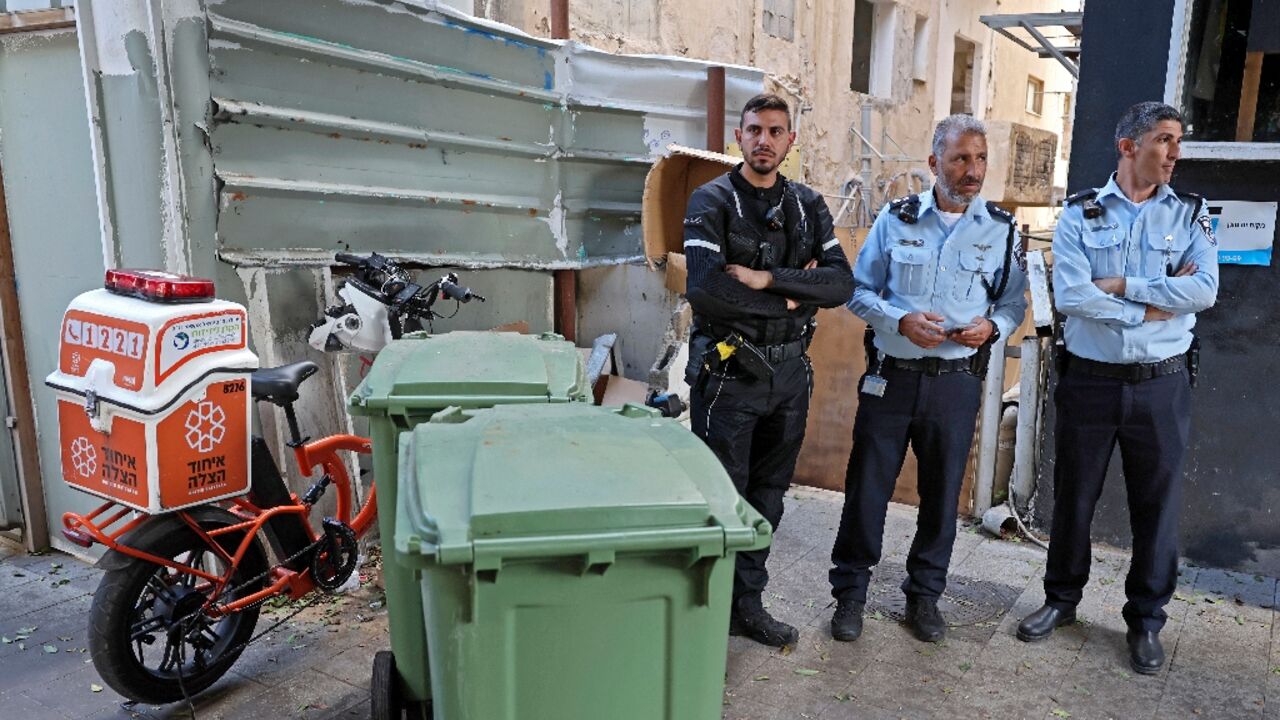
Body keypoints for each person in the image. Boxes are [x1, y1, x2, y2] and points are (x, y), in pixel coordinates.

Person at [1016, 101, 1218, 675]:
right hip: (1091, 381)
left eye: (1178, 140)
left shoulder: (1192, 215)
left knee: (1156, 505)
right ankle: (1061, 600)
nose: (1175, 152)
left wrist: (1126, 285)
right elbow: (1074, 296)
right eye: (1163, 140)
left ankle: (1146, 622)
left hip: (1161, 386)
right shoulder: (1079, 214)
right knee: (1073, 495)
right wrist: (1153, 308)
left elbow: (1203, 289)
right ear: (1128, 147)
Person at [828, 115, 1028, 644]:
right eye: (961, 158)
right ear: (935, 162)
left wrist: (991, 327)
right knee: (867, 490)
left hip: (956, 383)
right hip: (890, 379)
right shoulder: (896, 220)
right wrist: (899, 321)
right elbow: (855, 290)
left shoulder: (1002, 229)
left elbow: (1012, 304)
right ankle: (850, 596)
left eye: (980, 158)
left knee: (942, 498)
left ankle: (925, 599)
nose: (973, 170)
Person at [682, 93, 854, 647]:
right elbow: (706, 289)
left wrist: (765, 279)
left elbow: (840, 284)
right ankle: (703, 606)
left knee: (768, 496)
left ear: (790, 142)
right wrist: (791, 297)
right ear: (739, 136)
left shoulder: (806, 204)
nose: (764, 140)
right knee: (721, 495)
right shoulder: (711, 200)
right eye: (754, 130)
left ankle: (746, 604)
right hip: (729, 376)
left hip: (788, 376)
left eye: (776, 131)